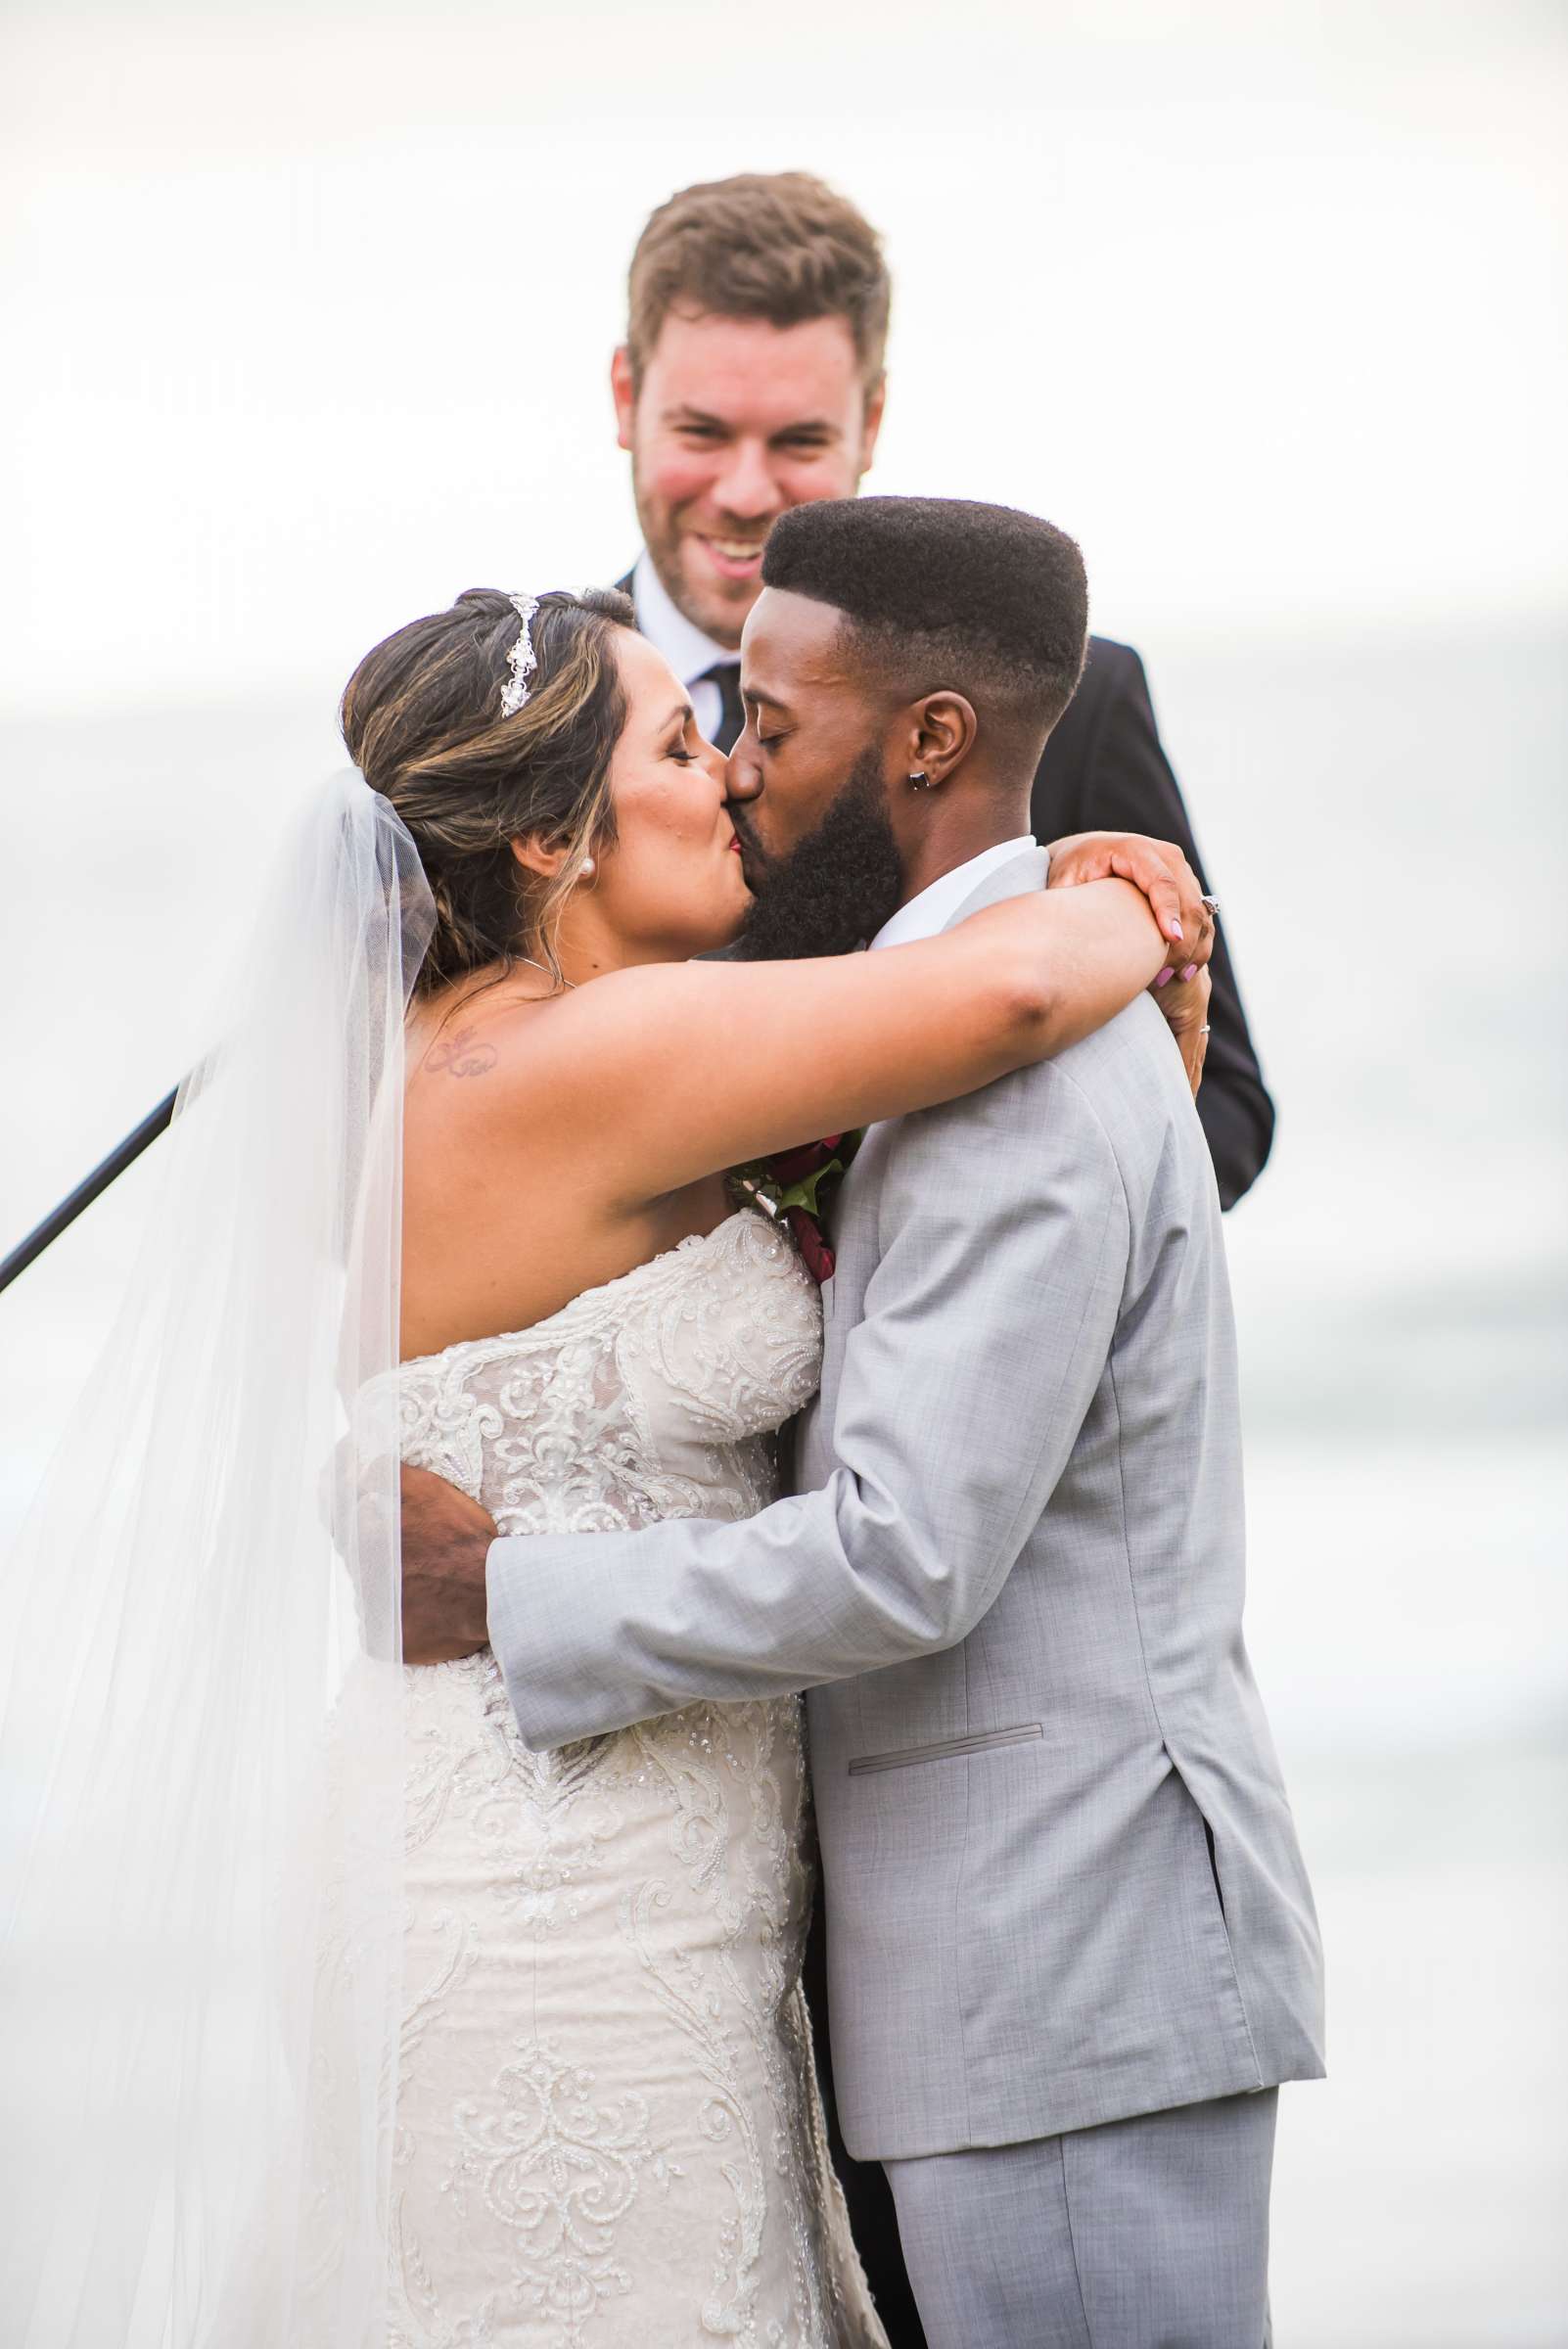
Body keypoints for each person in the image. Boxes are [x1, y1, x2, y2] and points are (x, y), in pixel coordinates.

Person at [0, 521, 1214, 2342]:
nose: (725, 769)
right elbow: (1017, 995)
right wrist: (1133, 895)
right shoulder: (586, 1064)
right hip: (549, 1893)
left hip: (584, 1852)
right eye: (672, 747)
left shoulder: (498, 1068)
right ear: (548, 840)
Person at [401, 497, 1326, 2349]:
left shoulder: (1022, 1057)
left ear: (924, 740)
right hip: (887, 1969)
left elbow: (905, 1553)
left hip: (1055, 1974)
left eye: (767, 726)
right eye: (705, 731)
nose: (739, 776)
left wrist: (512, 1599)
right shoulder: (901, 1041)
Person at [610, 169, 1275, 1212]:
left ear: (870, 422)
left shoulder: (1077, 698)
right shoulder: (539, 716)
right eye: (702, 433)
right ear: (624, 401)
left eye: (798, 442)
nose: (745, 494)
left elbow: (1227, 1111)